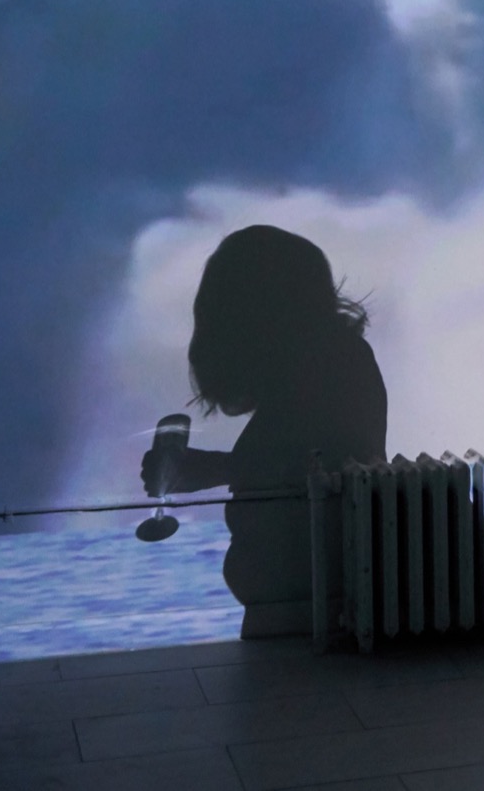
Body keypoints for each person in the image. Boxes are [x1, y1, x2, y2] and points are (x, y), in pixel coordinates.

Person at [140, 225, 387, 636]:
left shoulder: (335, 367)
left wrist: (217, 469)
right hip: (300, 615)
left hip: (311, 620)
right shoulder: (333, 363)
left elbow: (326, 467)